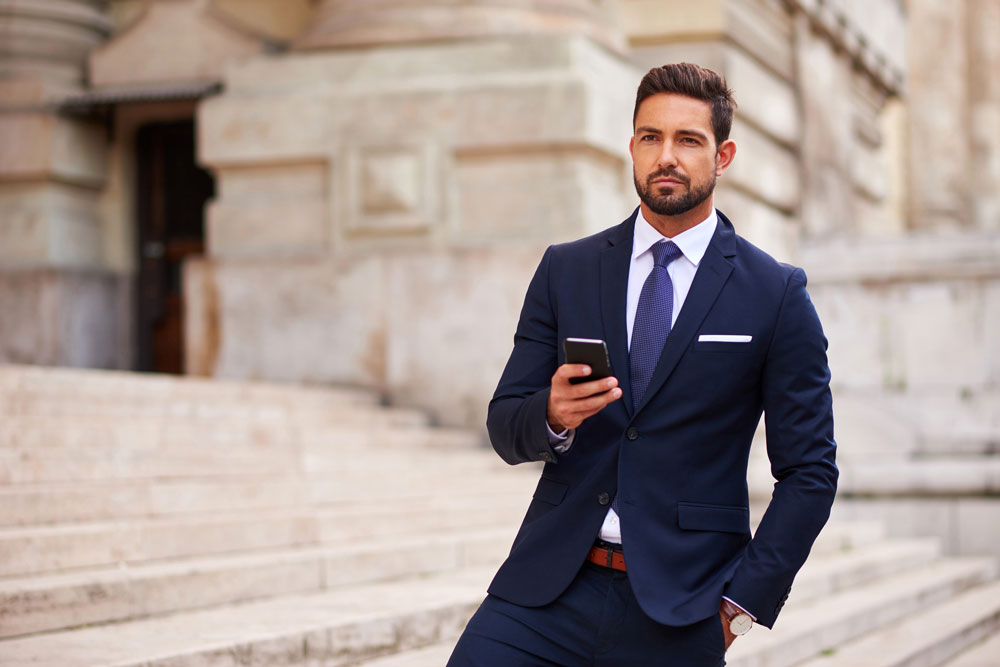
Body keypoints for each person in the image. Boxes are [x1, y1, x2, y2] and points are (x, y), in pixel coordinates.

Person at [448, 63, 838, 666]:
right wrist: (551, 414)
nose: (667, 157)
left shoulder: (775, 293)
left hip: (682, 608)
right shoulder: (567, 269)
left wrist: (742, 602)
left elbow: (810, 470)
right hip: (546, 590)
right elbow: (505, 426)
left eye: (689, 140)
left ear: (723, 154)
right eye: (651, 137)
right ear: (631, 146)